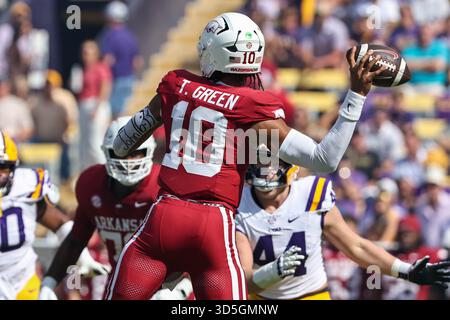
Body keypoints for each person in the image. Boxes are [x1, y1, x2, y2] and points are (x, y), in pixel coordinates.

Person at [106, 12, 386, 300]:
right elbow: (324, 159)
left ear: (212, 51)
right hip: (213, 224)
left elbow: (122, 145)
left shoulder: (177, 84)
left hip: (164, 217)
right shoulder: (252, 105)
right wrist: (357, 95)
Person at [235, 152, 450, 300]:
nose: (266, 177)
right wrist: (275, 271)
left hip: (312, 295)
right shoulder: (238, 203)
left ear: (291, 170)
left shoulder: (311, 194)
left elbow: (355, 246)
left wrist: (406, 271)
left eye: (272, 169)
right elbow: (243, 281)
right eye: (259, 168)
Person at [38, 117, 191, 300]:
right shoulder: (92, 184)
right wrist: (50, 281)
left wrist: (181, 285)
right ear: (107, 152)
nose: (129, 161)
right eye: (122, 153)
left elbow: (190, 246)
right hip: (120, 283)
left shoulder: (165, 186)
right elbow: (76, 240)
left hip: (167, 286)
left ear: (149, 152)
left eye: (136, 153)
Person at [0, 131, 105, 300]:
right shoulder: (83, 252)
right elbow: (73, 289)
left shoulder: (110, 251)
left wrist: (81, 256)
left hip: (22, 282)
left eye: (2, 167)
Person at [100, 1, 142, 119]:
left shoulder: (109, 36)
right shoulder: (130, 36)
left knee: (113, 116)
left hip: (115, 80)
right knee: (125, 113)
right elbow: (137, 62)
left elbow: (108, 60)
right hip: (129, 79)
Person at [78, 40, 112, 170]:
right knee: (84, 144)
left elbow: (105, 88)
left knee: (95, 142)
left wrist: (97, 108)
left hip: (95, 106)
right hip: (85, 105)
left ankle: (104, 170)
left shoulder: (101, 68)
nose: (86, 56)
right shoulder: (85, 69)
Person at [0, 78, 33, 143]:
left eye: (3, 85)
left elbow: (28, 129)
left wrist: (14, 139)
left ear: (8, 86)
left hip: (14, 144)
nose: (1, 88)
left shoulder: (19, 104)